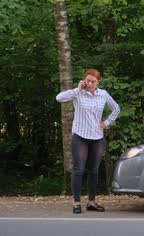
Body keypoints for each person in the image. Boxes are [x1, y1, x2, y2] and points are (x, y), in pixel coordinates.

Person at [56, 68, 120, 214]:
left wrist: (106, 123)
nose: (90, 83)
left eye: (93, 81)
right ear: (84, 80)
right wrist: (76, 90)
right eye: (88, 80)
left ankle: (91, 202)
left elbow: (116, 108)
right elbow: (59, 98)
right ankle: (76, 202)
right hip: (80, 137)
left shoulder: (103, 94)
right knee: (79, 170)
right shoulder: (78, 93)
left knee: (94, 171)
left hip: (97, 138)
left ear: (98, 82)